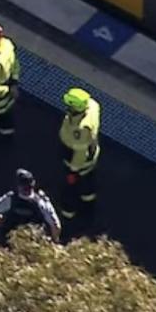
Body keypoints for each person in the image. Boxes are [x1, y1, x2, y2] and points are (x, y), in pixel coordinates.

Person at [58, 87, 101, 223]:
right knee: (88, 181)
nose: (67, 107)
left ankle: (68, 214)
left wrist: (73, 171)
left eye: (70, 105)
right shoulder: (92, 106)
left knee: (71, 186)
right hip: (90, 154)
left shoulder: (82, 129)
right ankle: (89, 203)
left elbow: (80, 152)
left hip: (77, 161)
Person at [0, 169, 62, 241]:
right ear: (33, 183)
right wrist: (53, 241)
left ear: (18, 185)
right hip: (31, 244)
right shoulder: (41, 201)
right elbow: (56, 227)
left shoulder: (11, 199)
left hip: (13, 244)